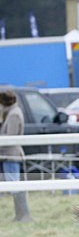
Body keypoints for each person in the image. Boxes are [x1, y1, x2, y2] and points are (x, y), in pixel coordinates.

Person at [0, 89, 32, 222]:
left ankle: (23, 215)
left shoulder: (14, 114)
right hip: (6, 155)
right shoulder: (9, 112)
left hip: (11, 155)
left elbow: (10, 137)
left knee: (15, 186)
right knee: (14, 185)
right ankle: (20, 215)